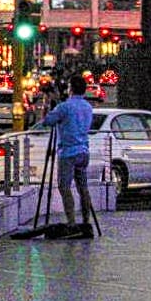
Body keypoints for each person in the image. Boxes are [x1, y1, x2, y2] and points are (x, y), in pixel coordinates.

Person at [42, 73, 95, 238]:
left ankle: (71, 223)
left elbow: (47, 121)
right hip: (83, 151)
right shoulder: (87, 107)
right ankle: (86, 221)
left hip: (68, 152)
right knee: (82, 187)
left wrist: (46, 103)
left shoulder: (65, 107)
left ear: (70, 88)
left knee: (64, 187)